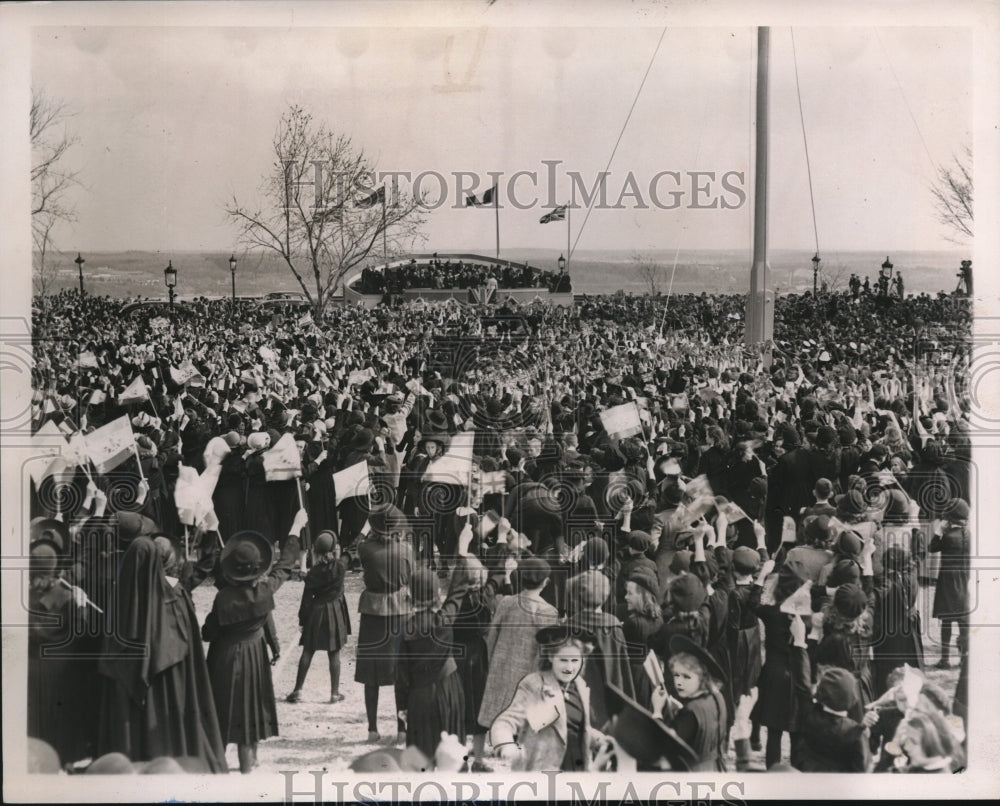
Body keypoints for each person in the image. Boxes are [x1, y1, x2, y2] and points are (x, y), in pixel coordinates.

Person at [97, 534, 227, 772]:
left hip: (129, 689)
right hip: (168, 682)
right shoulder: (176, 596)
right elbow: (185, 644)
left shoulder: (117, 599)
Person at [202, 517, 304, 773]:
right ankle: (249, 764)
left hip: (224, 657)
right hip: (254, 654)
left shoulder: (223, 598)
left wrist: (209, 529)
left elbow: (208, 633)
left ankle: (218, 764)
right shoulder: (265, 591)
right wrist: (293, 531)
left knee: (222, 708)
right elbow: (284, 566)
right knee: (250, 709)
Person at [395, 522, 476, 759]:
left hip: (419, 695)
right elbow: (458, 590)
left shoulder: (405, 628)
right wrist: (462, 549)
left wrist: (402, 707)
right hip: (449, 689)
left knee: (422, 758)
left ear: (410, 595)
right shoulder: (444, 619)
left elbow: (400, 674)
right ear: (436, 594)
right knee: (452, 753)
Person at [489, 625, 606, 772]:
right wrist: (507, 745)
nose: (569, 667)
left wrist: (599, 739)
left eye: (575, 661)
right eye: (563, 660)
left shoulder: (580, 686)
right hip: (542, 772)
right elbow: (505, 722)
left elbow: (575, 727)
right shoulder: (535, 684)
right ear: (551, 657)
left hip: (577, 769)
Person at [354, 505, 414, 743]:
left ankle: (372, 728)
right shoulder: (406, 550)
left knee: (371, 674)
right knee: (401, 672)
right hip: (400, 611)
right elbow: (410, 577)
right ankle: (402, 729)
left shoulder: (365, 549)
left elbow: (355, 545)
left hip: (372, 612)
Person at [478, 558, 560, 730]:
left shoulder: (506, 602)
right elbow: (546, 651)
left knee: (498, 719)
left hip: (501, 670)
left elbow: (491, 636)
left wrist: (492, 662)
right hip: (530, 675)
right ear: (545, 582)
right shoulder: (549, 612)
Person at [285, 531, 351, 704]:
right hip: (334, 612)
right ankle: (334, 693)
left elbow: (306, 601)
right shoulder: (340, 567)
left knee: (308, 650)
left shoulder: (313, 573)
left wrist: (302, 620)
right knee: (334, 653)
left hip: (316, 613)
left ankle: (298, 690)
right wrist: (363, 532)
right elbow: (349, 552)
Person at [666, 634, 729, 772]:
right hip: (716, 769)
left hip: (692, 775)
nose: (678, 682)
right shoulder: (717, 697)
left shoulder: (690, 712)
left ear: (702, 678)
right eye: (676, 674)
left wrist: (658, 712)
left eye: (686, 676)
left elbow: (664, 750)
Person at [929, 499, 970, 669]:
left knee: (946, 621)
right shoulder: (968, 535)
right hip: (963, 579)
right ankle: (964, 658)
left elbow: (932, 547)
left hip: (947, 580)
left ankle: (945, 659)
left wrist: (938, 531)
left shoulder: (948, 537)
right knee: (963, 621)